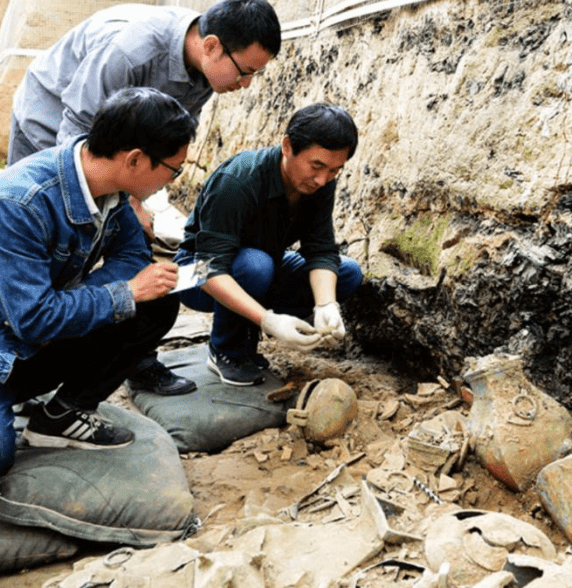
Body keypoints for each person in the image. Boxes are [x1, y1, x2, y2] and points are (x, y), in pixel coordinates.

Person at [6, 0, 282, 396]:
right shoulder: (129, 50)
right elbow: (79, 133)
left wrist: (137, 204)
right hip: (52, 125)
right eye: (246, 72)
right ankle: (22, 357)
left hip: (116, 160)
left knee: (131, 254)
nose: (247, 84)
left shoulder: (205, 74)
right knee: (51, 245)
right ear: (212, 46)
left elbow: (168, 142)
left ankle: (119, 357)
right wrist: (129, 203)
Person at [0, 87, 198, 475]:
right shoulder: (20, 204)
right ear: (136, 160)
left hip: (34, 339)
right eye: (172, 170)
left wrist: (84, 299)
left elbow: (134, 255)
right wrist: (122, 293)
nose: (170, 182)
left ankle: (61, 414)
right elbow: (34, 319)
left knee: (157, 299)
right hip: (6, 351)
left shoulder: (110, 189)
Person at [176, 103, 363, 386]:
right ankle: (226, 350)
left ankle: (248, 324)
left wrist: (327, 304)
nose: (323, 179)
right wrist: (269, 321)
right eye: (317, 166)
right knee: (255, 265)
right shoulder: (238, 180)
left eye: (335, 171)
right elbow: (208, 267)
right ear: (287, 146)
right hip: (194, 274)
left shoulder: (319, 183)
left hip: (262, 264)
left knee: (347, 272)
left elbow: (321, 249)